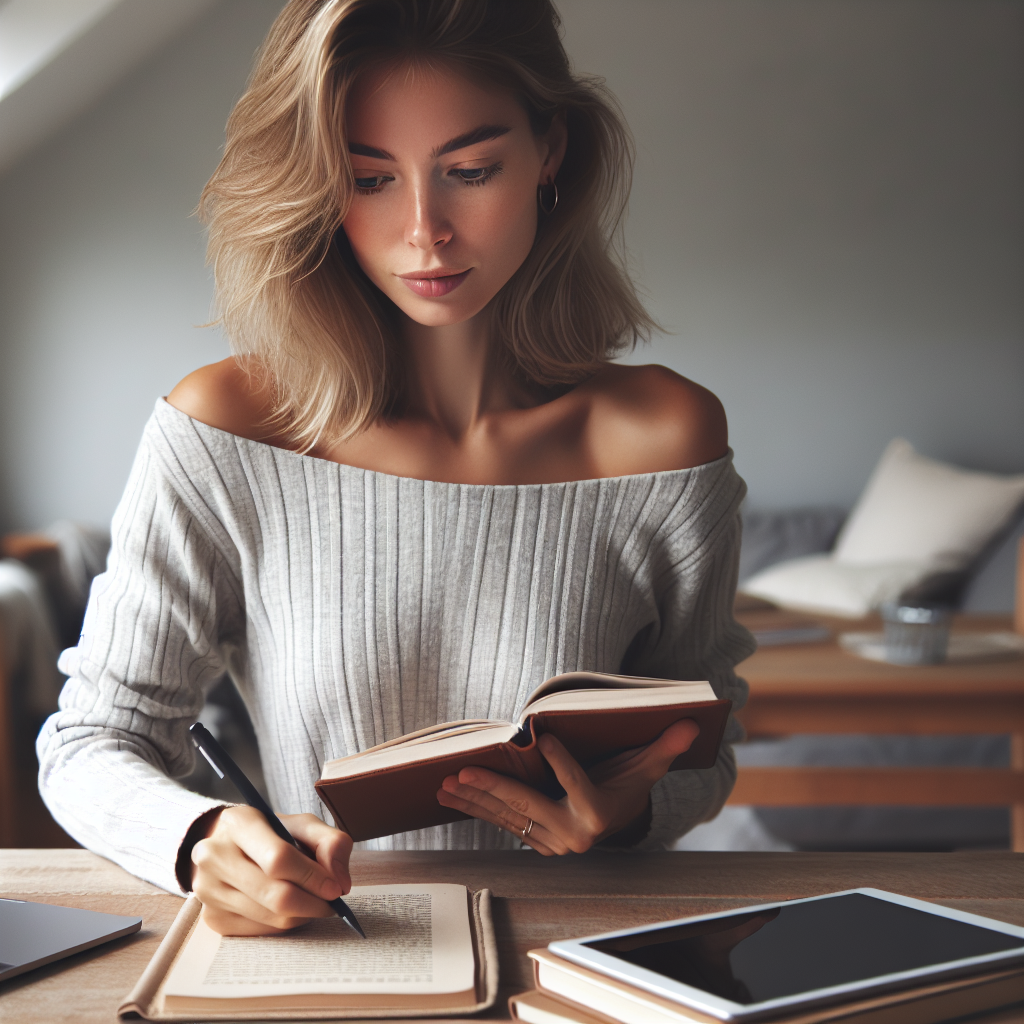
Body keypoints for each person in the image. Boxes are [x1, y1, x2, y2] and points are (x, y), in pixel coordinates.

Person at [37, 0, 753, 936]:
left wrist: (627, 815)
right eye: (368, 178)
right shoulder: (227, 431)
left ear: (553, 153)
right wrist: (200, 837)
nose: (425, 230)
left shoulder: (667, 439)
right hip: (334, 950)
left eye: (470, 170)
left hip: (588, 957)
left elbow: (702, 747)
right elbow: (93, 740)